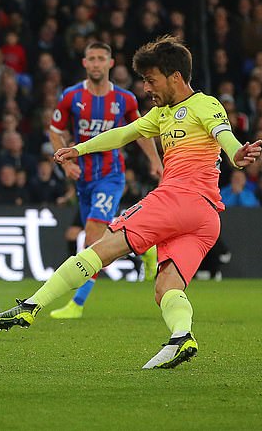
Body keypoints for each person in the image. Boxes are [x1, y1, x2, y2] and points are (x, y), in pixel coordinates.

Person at [0, 35, 262, 369]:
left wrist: (237, 153)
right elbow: (123, 133)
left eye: (151, 80)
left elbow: (224, 136)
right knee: (166, 288)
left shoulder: (204, 104)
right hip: (205, 219)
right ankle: (181, 336)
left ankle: (31, 305)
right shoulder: (162, 114)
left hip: (178, 199)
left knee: (102, 247)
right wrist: (79, 148)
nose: (147, 88)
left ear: (175, 77)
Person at [47, 41, 164, 319]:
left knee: (91, 237)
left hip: (110, 176)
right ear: (84, 63)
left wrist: (155, 161)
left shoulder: (125, 99)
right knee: (103, 237)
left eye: (101, 58)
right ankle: (144, 248)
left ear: (110, 63)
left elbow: (141, 131)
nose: (96, 63)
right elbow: (55, 130)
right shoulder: (71, 96)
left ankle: (77, 303)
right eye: (92, 58)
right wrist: (66, 163)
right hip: (83, 179)